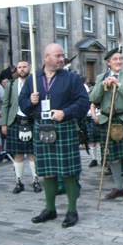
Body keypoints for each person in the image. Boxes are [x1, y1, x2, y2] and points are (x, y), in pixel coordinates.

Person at [19, 43, 90, 228]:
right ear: (46, 57)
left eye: (62, 55)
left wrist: (65, 112)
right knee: (47, 172)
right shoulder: (33, 79)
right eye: (58, 56)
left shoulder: (72, 78)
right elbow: (23, 105)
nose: (61, 59)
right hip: (41, 127)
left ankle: (72, 211)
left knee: (69, 172)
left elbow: (83, 103)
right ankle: (50, 209)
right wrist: (30, 101)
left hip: (64, 127)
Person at [89, 46, 123, 202]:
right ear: (108, 63)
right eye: (115, 59)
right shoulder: (100, 78)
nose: (119, 61)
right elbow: (93, 98)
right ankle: (118, 187)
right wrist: (104, 85)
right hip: (107, 120)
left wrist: (118, 84)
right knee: (113, 156)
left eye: (120, 59)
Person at [0, 60, 41, 194]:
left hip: (32, 120)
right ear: (16, 70)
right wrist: (4, 123)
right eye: (19, 67)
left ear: (29, 68)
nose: (22, 69)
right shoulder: (11, 84)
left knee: (32, 153)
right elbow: (5, 104)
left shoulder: (35, 83)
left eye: (24, 67)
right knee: (17, 154)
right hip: (15, 120)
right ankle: (19, 181)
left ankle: (36, 180)